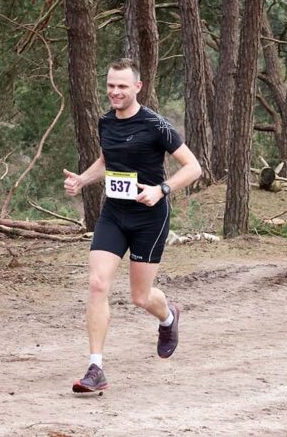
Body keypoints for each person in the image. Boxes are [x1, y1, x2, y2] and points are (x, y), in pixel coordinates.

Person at [63, 58, 202, 393]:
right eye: (111, 85)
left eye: (122, 86)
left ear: (137, 87)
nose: (115, 92)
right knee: (98, 284)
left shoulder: (156, 125)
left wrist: (161, 189)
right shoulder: (106, 122)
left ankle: (168, 317)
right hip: (113, 214)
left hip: (149, 219)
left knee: (140, 297)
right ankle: (96, 368)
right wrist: (83, 180)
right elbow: (108, 159)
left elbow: (193, 167)